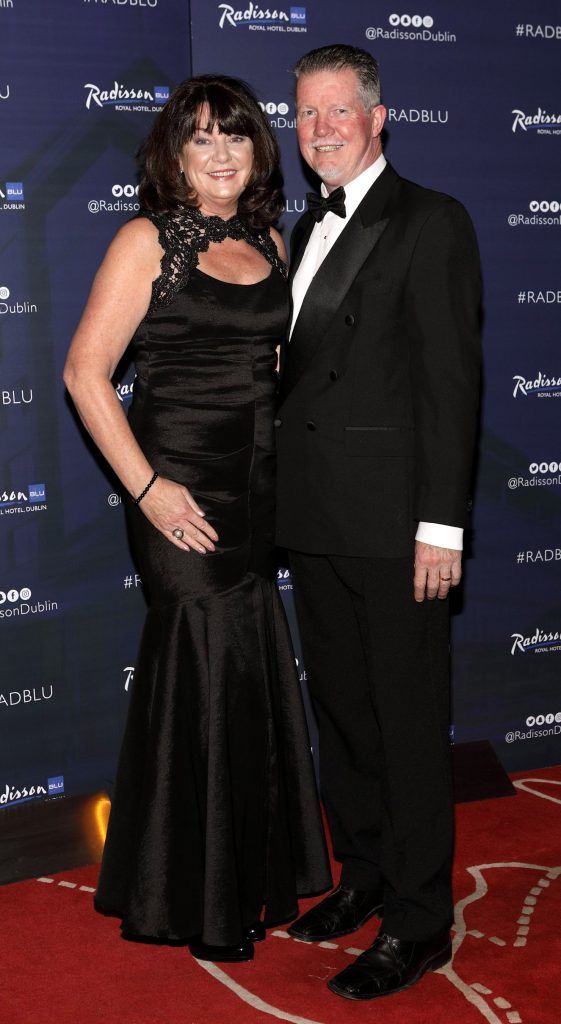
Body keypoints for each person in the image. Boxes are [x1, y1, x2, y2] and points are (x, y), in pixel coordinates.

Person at [63, 74, 331, 965]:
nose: (219, 153)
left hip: (258, 491)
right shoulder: (149, 239)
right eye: (200, 138)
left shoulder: (269, 240)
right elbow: (85, 373)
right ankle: (194, 895)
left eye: (236, 136)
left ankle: (243, 878)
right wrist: (148, 489)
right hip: (178, 491)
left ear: (260, 149)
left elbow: (291, 369)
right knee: (203, 670)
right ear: (173, 153)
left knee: (245, 675)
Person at [275, 44, 481, 1000]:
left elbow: (450, 386)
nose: (320, 130)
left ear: (378, 116)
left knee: (402, 729)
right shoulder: (292, 226)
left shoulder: (429, 222)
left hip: (397, 528)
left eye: (337, 112)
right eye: (305, 115)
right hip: (313, 517)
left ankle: (418, 921)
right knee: (345, 721)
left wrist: (441, 525)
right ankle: (360, 876)